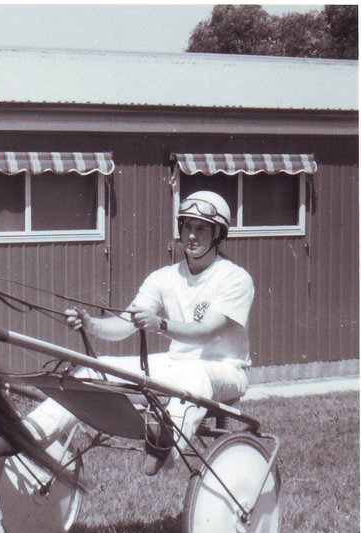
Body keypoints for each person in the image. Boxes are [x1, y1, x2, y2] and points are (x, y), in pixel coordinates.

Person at [24, 190, 255, 476]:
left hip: (224, 370)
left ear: (218, 235)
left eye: (201, 229)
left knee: (195, 376)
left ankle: (165, 447)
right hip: (176, 369)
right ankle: (27, 434)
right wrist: (91, 324)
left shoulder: (235, 278)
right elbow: (125, 323)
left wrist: (160, 324)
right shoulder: (164, 278)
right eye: (186, 227)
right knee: (96, 369)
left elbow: (206, 331)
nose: (191, 236)